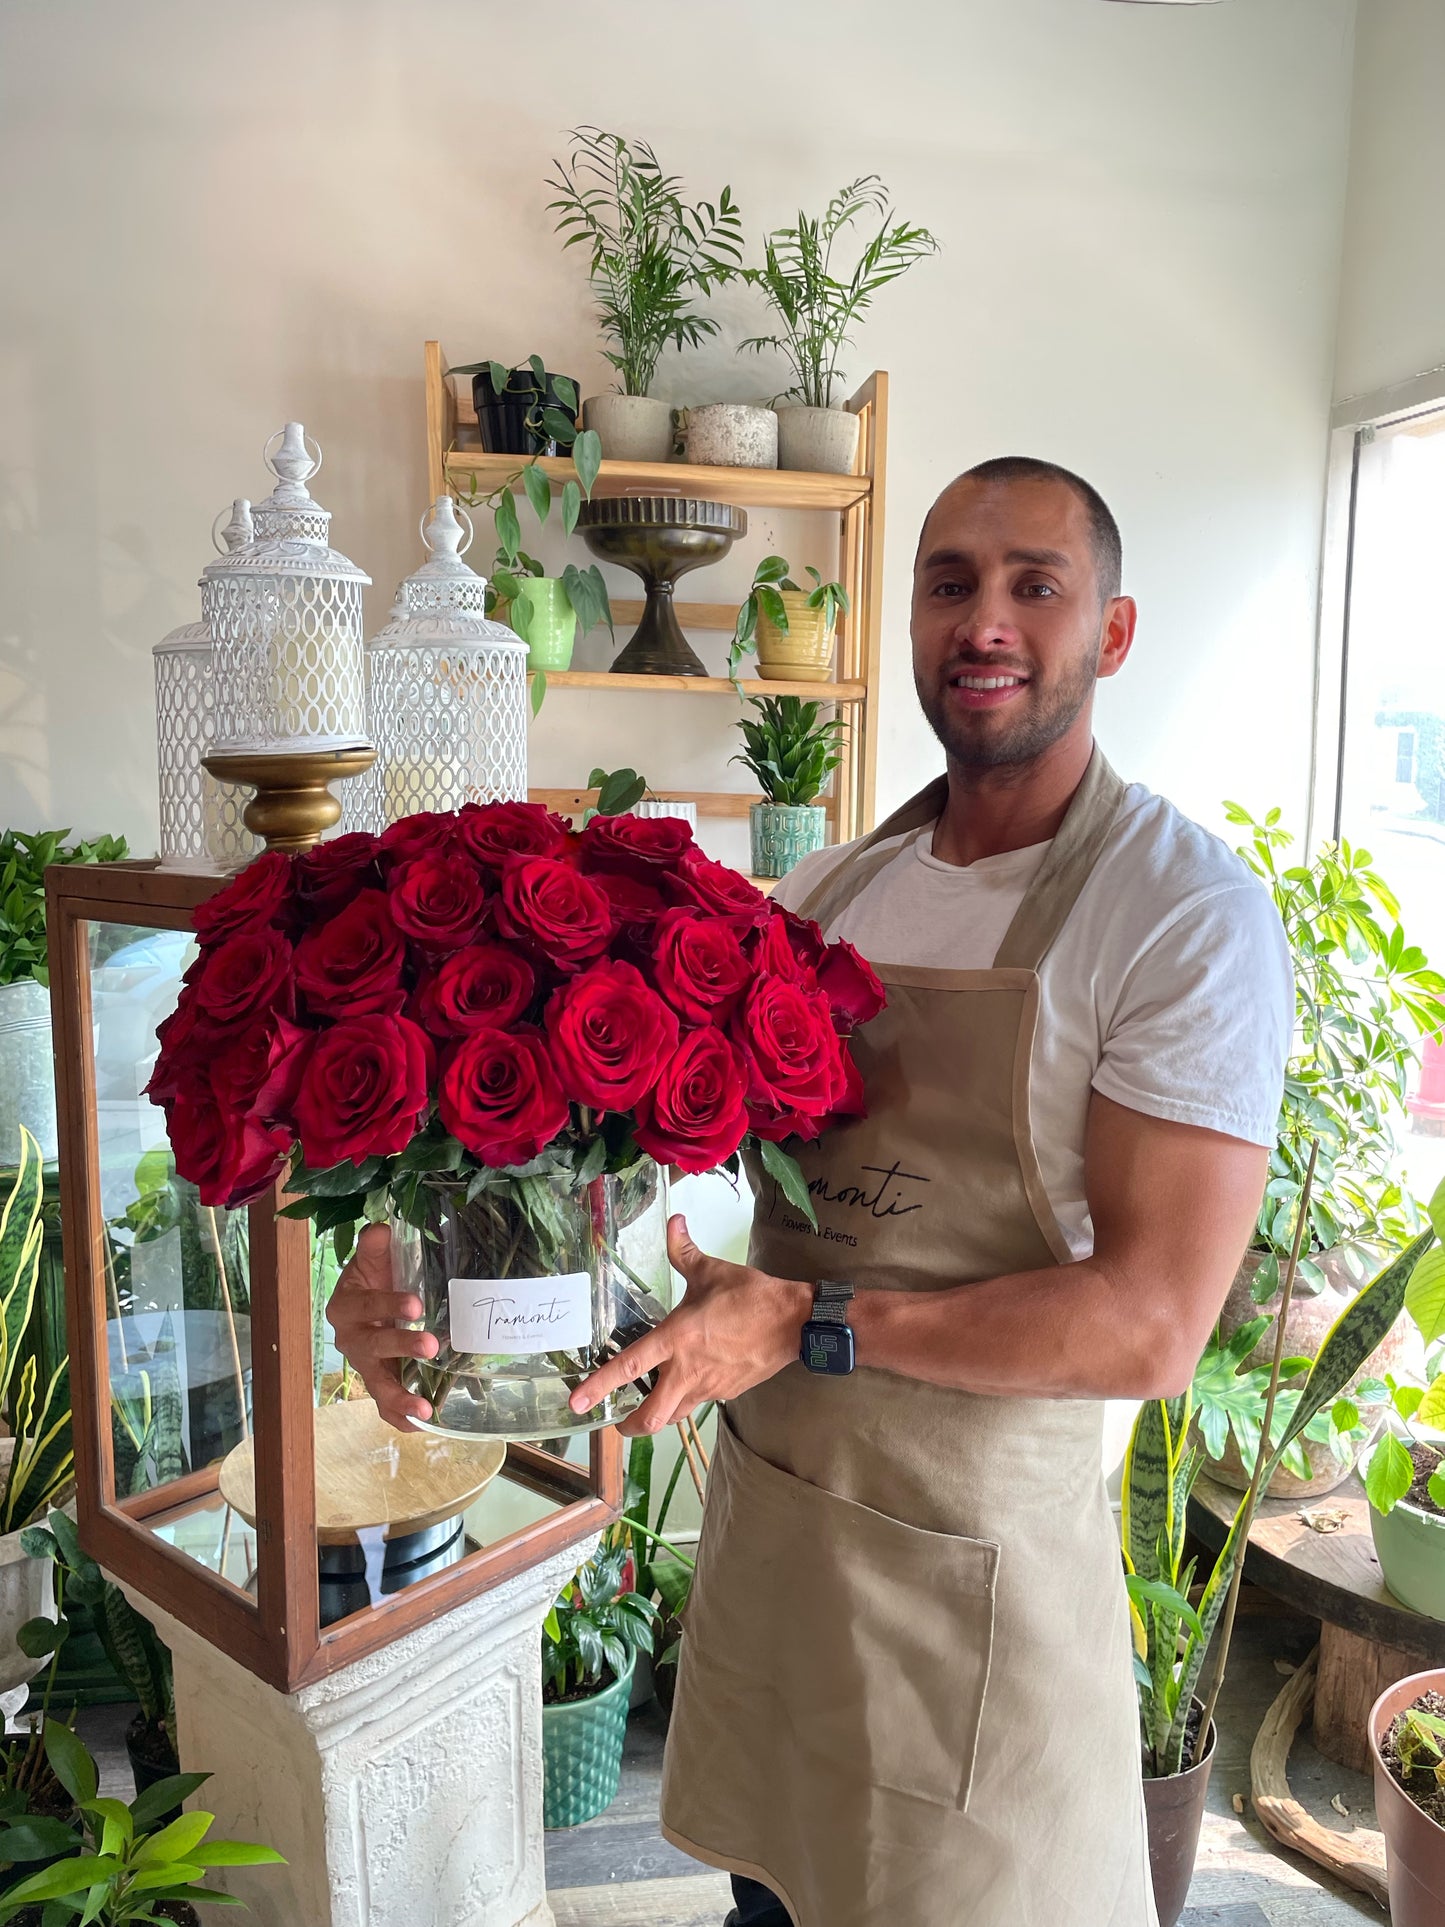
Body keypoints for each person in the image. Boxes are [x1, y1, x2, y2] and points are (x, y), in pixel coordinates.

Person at [328, 456, 1294, 1927]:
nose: (984, 619)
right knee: (766, 1906)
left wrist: (806, 1322)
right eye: (948, 581)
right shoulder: (830, 890)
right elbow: (592, 1133)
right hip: (783, 1574)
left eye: (1034, 585)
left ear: (1110, 634)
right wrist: (415, 1257)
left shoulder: (1178, 914)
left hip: (978, 1624)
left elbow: (1147, 1326)